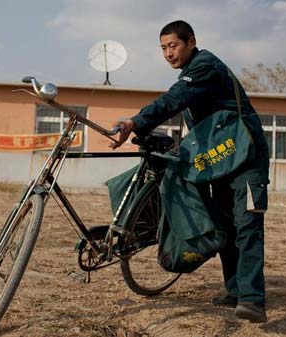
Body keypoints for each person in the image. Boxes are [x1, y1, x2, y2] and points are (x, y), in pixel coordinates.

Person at [110, 20, 270, 323]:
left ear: (191, 42)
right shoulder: (191, 74)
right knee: (226, 222)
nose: (169, 53)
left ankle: (252, 299)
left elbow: (173, 99)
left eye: (174, 45)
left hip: (248, 158)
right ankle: (235, 290)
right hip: (222, 158)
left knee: (247, 223)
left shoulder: (204, 66)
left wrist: (136, 121)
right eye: (163, 48)